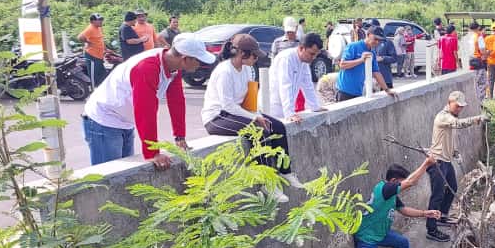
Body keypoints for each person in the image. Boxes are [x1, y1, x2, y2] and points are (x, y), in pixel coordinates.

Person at [83, 33, 211, 168]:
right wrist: (152, 152)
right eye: (199, 60)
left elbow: (176, 101)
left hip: (124, 122)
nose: (200, 65)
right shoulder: (147, 67)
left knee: (123, 175)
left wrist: (179, 137)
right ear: (185, 59)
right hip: (104, 120)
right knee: (107, 179)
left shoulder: (174, 67)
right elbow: (145, 110)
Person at [202, 34, 301, 197]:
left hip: (238, 112)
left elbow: (249, 100)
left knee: (276, 126)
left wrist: (257, 114)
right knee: (258, 131)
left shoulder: (247, 70)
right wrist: (254, 118)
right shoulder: (224, 71)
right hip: (217, 117)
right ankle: (265, 182)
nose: (256, 58)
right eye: (254, 55)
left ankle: (285, 171)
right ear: (242, 53)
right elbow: (227, 105)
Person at [426, 91, 486, 242]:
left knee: (452, 186)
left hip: (446, 160)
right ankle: (431, 229)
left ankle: (442, 215)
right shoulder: (443, 116)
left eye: (461, 107)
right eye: (457, 106)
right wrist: (477, 118)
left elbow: (449, 139)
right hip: (437, 161)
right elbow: (459, 124)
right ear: (449, 102)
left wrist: (455, 152)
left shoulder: (450, 118)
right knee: (437, 195)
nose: (459, 109)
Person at [270, 32, 327, 121]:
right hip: (274, 107)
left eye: (316, 55)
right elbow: (285, 86)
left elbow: (308, 85)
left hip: (285, 106)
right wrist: (289, 113)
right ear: (301, 48)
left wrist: (315, 107)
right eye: (312, 54)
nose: (314, 58)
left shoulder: (304, 61)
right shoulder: (287, 59)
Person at [336, 26, 396, 101]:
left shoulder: (372, 53)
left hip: (358, 92)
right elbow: (342, 65)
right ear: (368, 35)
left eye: (379, 40)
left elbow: (376, 73)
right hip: (344, 91)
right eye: (375, 39)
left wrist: (387, 90)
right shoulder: (353, 46)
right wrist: (361, 60)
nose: (377, 42)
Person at [78, 13, 107, 87]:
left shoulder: (99, 28)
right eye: (99, 20)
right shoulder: (90, 28)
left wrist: (105, 48)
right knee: (94, 76)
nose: (101, 21)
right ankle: (94, 91)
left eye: (101, 20)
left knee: (102, 74)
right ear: (93, 21)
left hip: (99, 56)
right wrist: (88, 42)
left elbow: (100, 39)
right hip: (92, 56)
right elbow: (80, 37)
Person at [468, 22, 488, 101]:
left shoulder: (469, 37)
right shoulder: (479, 37)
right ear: (478, 28)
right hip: (478, 60)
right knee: (483, 82)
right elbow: (482, 50)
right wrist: (487, 53)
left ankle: (473, 99)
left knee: (474, 81)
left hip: (470, 60)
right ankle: (479, 101)